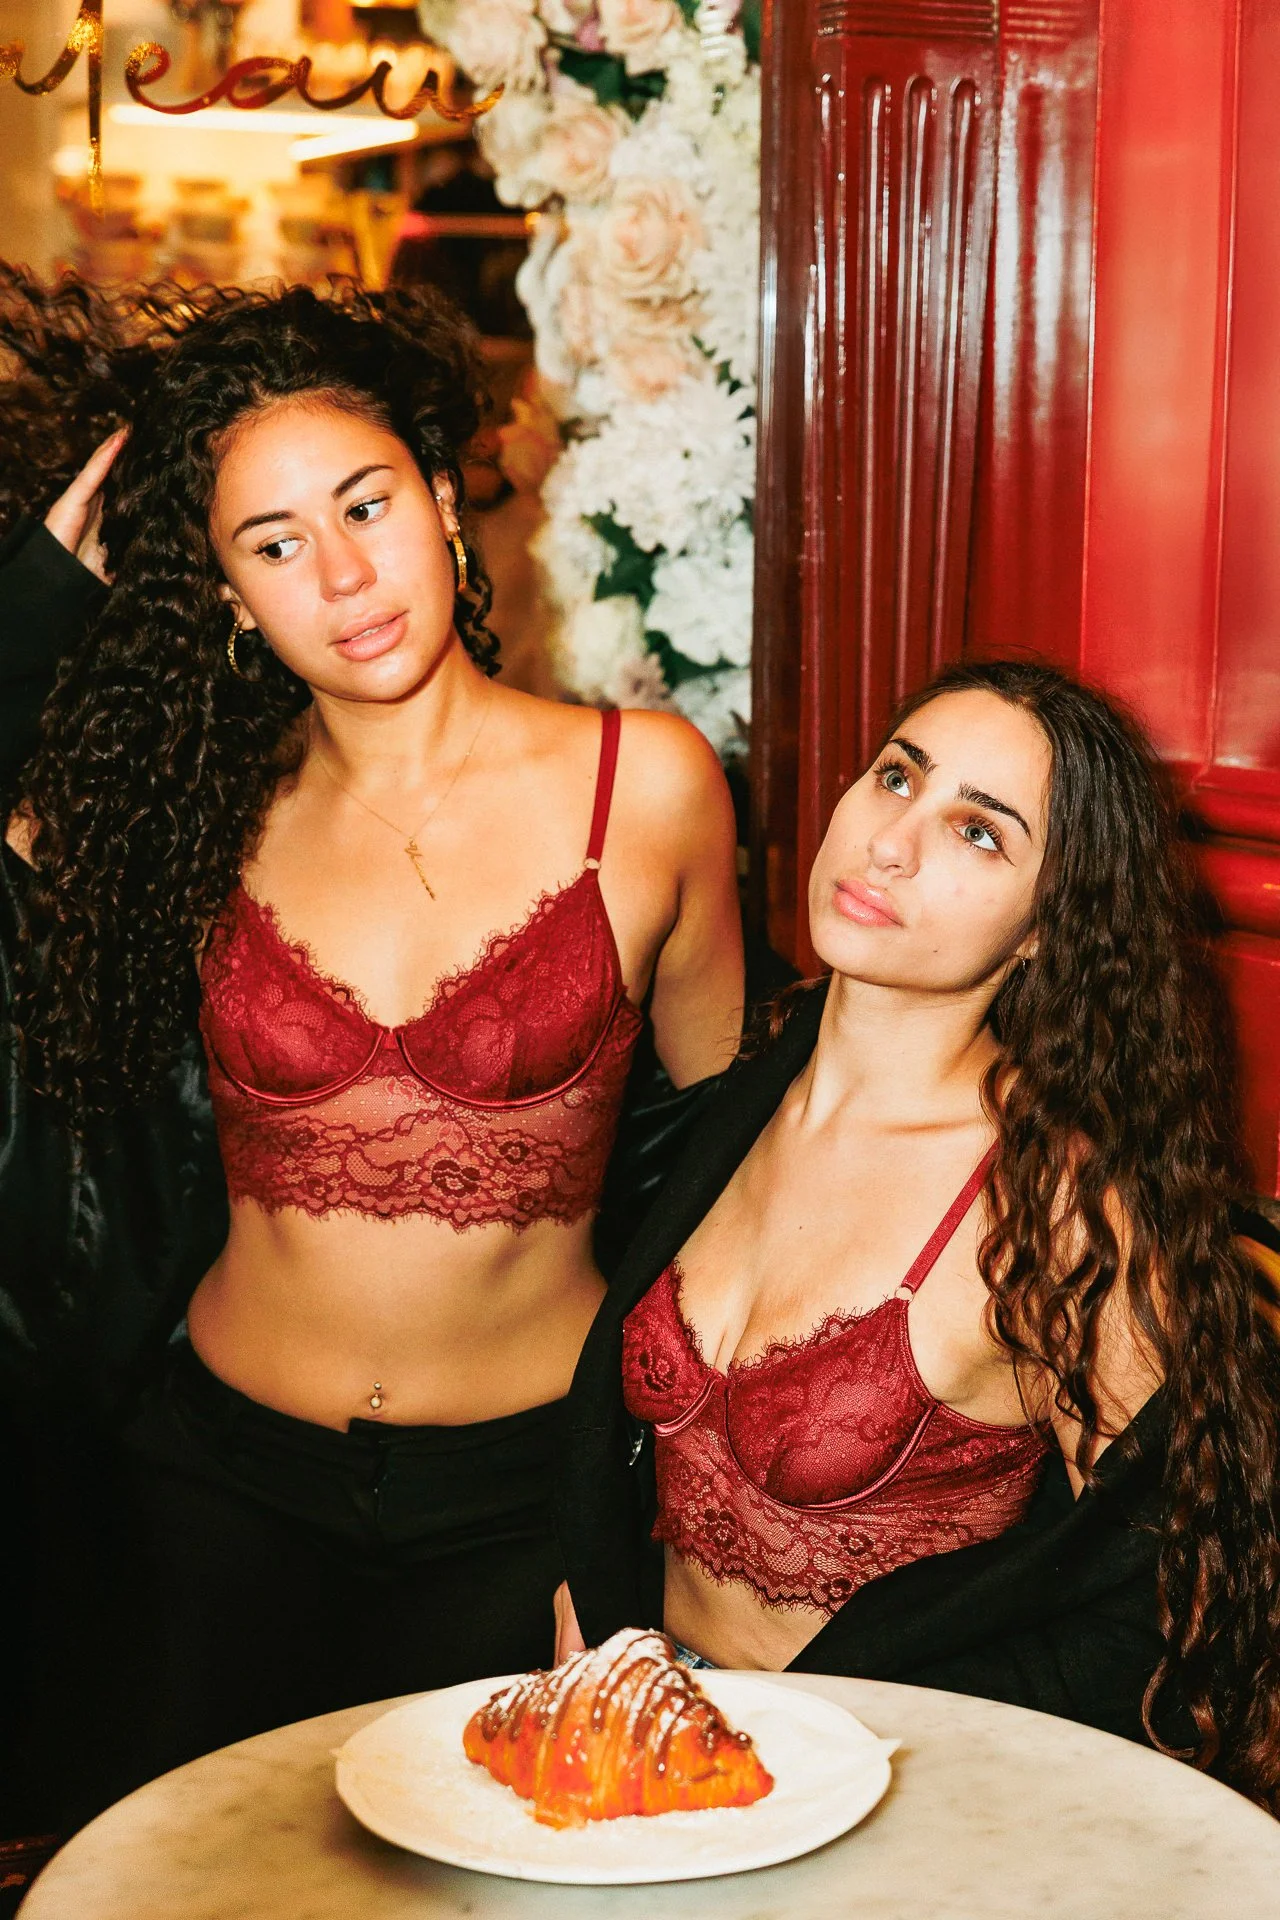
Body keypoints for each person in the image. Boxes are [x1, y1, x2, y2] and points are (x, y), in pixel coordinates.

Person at [0, 269, 743, 1804]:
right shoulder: (191, 814)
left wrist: (643, 1518)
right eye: (272, 543)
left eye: (365, 503)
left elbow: (729, 1165)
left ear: (440, 492)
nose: (341, 576)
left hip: (522, 1506)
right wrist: (40, 604)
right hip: (214, 1496)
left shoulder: (649, 787)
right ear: (222, 591)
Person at [554, 660, 1280, 1813]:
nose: (889, 843)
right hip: (641, 1750)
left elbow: (1181, 1596)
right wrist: (590, 1614)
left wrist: (880, 1738)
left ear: (1050, 926)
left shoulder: (1055, 1208)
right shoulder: (756, 1079)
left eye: (977, 834)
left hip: (881, 1795)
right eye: (896, 775)